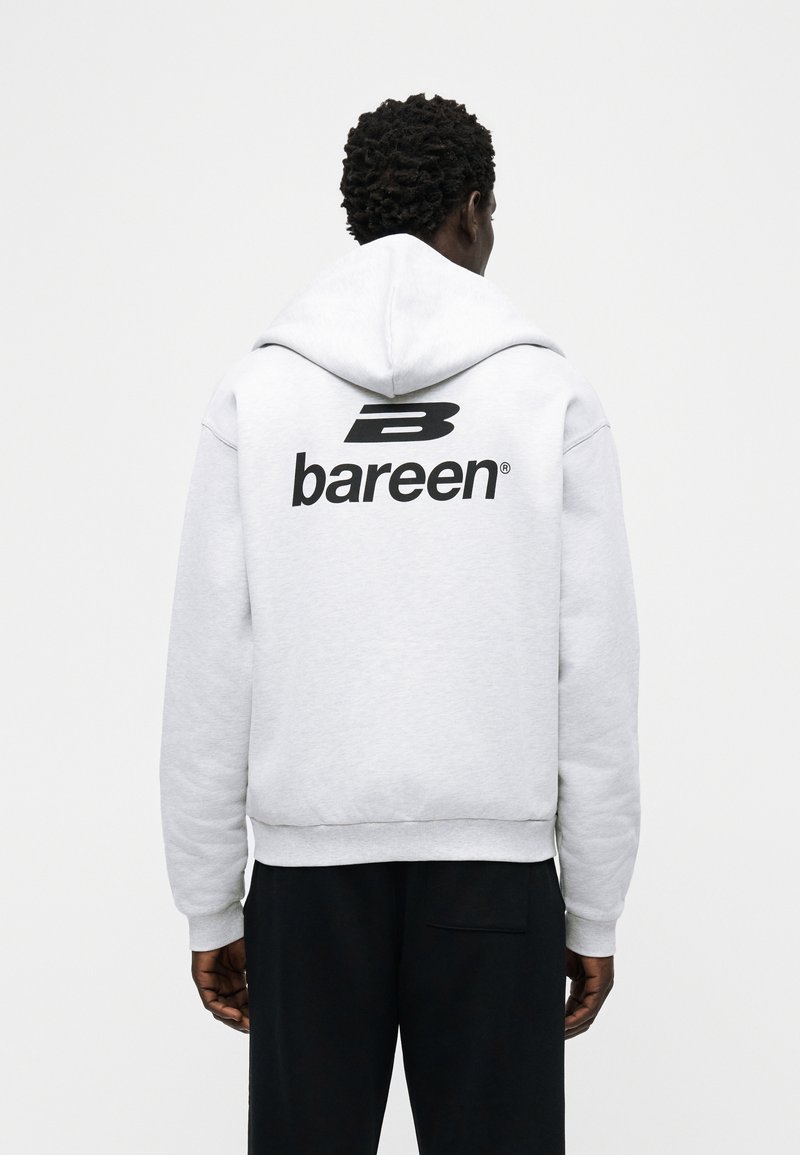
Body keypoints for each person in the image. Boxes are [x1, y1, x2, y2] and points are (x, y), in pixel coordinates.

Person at [159, 92, 641, 1155]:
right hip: (495, 880)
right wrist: (595, 906)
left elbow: (209, 665)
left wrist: (210, 903)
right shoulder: (546, 395)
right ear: (471, 208)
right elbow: (595, 669)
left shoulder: (258, 396)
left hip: (304, 886)